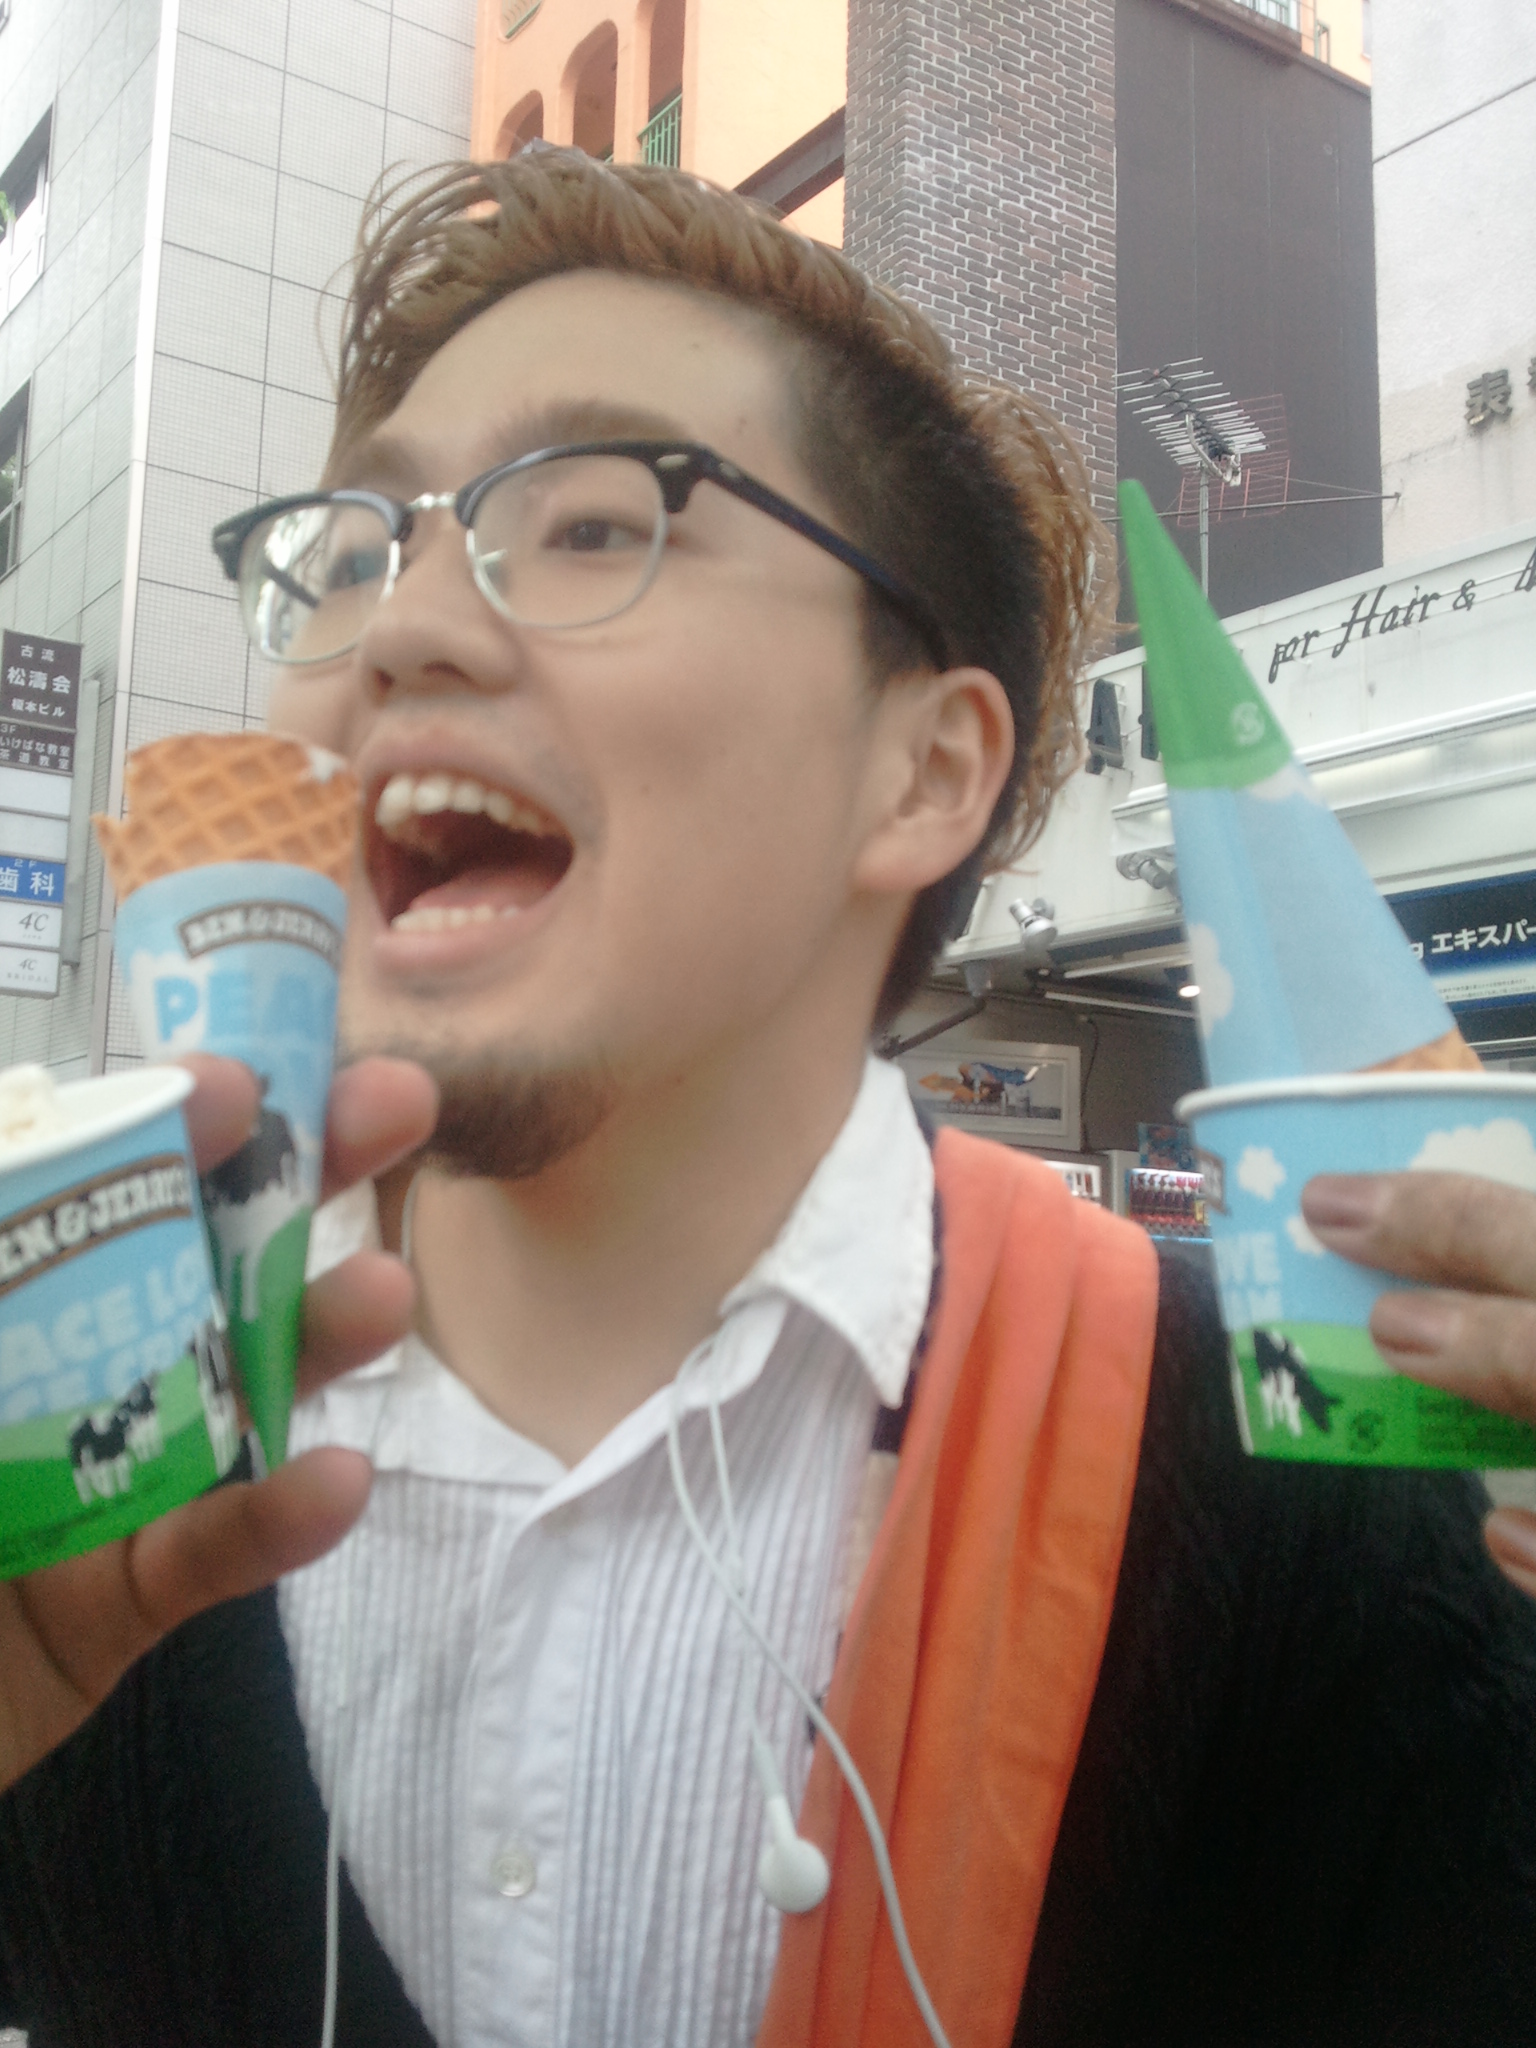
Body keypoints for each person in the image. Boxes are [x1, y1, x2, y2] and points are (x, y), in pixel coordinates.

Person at [3, 148, 1536, 2046]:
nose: (397, 626)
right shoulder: (80, 1474)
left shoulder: (1338, 1507)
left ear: (925, 773)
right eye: (356, 550)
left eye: (587, 523)